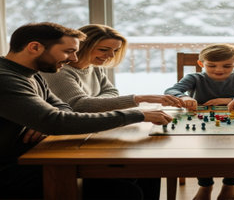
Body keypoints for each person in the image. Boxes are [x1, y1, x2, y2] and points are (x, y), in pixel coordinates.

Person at [0, 22, 174, 200]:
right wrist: (138, 114)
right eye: (68, 51)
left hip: (36, 152)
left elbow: (62, 108)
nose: (74, 59)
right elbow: (58, 119)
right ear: (34, 47)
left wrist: (42, 121)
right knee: (124, 190)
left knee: (144, 169)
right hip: (11, 168)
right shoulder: (5, 78)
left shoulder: (32, 73)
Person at [164, 43, 234, 200]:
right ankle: (206, 186)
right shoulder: (194, 77)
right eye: (211, 65)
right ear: (201, 64)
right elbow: (171, 91)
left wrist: (229, 100)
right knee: (201, 154)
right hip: (201, 127)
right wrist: (184, 97)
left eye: (226, 66)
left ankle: (229, 186)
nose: (219, 70)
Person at [41, 24, 184, 113]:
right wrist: (139, 98)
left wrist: (95, 103)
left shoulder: (94, 67)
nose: (110, 55)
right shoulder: (60, 71)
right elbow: (79, 105)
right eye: (104, 49)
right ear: (82, 46)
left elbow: (111, 92)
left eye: (115, 51)